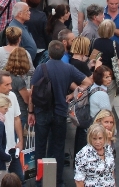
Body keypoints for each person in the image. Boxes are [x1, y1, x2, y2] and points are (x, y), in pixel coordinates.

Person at [30, 40, 90, 187]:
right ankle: (57, 180)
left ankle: (40, 180)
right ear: (63, 52)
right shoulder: (68, 68)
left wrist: (31, 111)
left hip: (42, 111)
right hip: (60, 112)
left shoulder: (41, 68)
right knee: (58, 147)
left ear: (49, 53)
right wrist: (74, 94)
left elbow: (32, 92)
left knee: (40, 146)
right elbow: (87, 82)